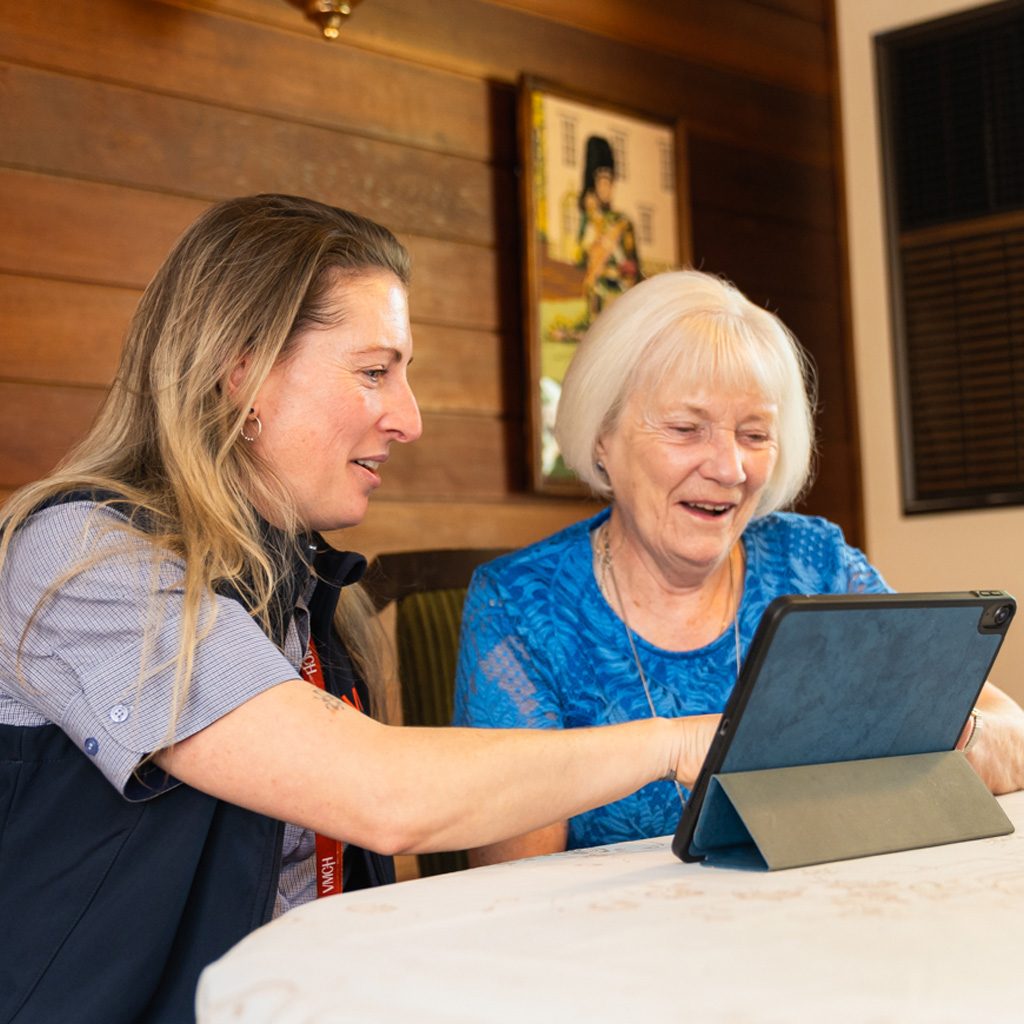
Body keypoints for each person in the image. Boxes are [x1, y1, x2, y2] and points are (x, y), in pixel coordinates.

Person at [0, 196, 718, 1024]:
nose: (407, 419)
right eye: (374, 371)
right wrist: (672, 742)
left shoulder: (300, 579)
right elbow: (383, 795)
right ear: (245, 373)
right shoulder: (84, 560)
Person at [453, 269, 1024, 865]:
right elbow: (517, 878)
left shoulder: (813, 565)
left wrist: (947, 734)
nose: (729, 468)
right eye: (685, 428)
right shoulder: (521, 603)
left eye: (754, 434)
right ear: (602, 437)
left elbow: (1013, 737)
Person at [576, 134, 641, 322]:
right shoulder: (590, 221)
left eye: (610, 182)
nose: (607, 187)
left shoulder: (622, 222)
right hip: (598, 286)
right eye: (602, 182)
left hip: (619, 285)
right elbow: (580, 256)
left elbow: (631, 263)